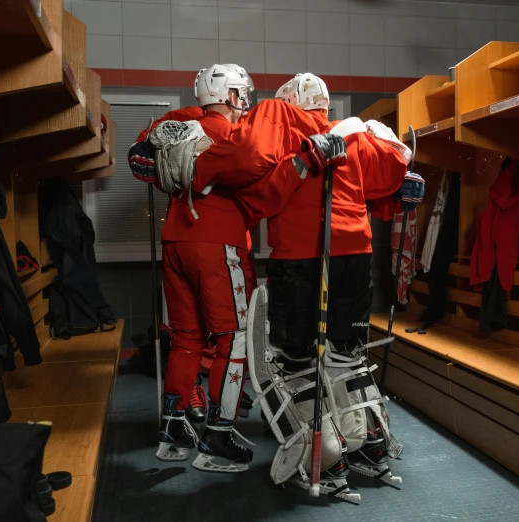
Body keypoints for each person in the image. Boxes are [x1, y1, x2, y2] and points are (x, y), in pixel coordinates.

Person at [150, 73, 422, 499]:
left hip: (301, 256)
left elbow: (244, 158)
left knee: (297, 362)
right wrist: (402, 190)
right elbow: (389, 182)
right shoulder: (353, 135)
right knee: (345, 357)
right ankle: (369, 446)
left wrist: (199, 167)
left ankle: (325, 461)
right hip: (356, 256)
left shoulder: (278, 118)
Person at [128, 63, 257, 473]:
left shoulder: (180, 122)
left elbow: (140, 151)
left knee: (184, 337)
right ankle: (218, 434)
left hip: (175, 240)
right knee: (233, 339)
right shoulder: (234, 134)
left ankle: (175, 429)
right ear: (233, 96)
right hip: (217, 242)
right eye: (243, 94)